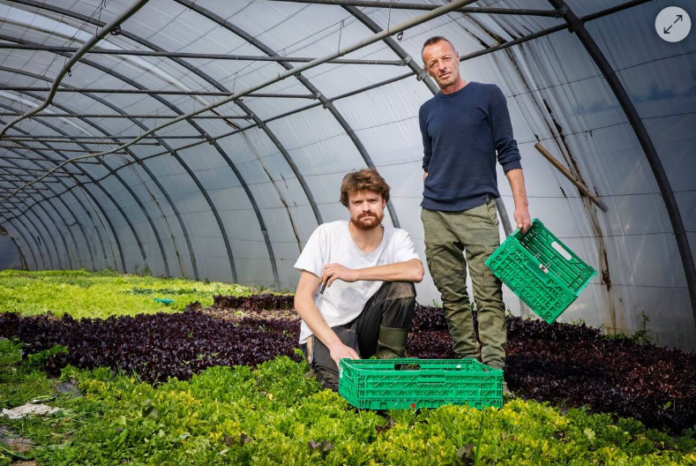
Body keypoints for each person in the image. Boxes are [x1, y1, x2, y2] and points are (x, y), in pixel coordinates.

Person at [418, 36, 532, 374]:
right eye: (433, 63)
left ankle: (494, 370)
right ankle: (468, 364)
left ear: (457, 56)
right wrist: (433, 184)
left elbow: (508, 151)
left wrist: (521, 206)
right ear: (427, 70)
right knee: (451, 295)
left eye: (445, 58)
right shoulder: (428, 110)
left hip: (478, 212)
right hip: (435, 213)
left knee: (487, 294)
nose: (441, 66)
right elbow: (429, 158)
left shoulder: (488, 95)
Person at [293, 168, 424, 391]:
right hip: (330, 328)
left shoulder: (397, 237)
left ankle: (386, 368)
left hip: (366, 326)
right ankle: (321, 357)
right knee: (343, 389)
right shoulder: (327, 234)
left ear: (384, 202)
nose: (365, 208)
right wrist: (335, 346)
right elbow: (302, 300)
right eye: (358, 202)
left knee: (402, 288)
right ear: (348, 206)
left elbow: (416, 271)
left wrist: (354, 274)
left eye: (372, 200)